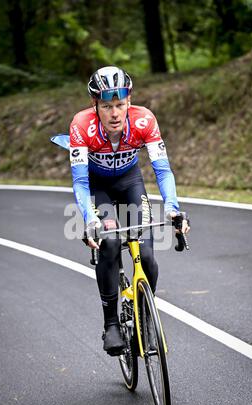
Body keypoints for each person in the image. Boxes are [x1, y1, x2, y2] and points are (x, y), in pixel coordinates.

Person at [69, 66, 190, 356]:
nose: (114, 113)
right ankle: (111, 324)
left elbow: (162, 170)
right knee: (109, 241)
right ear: (94, 105)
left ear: (129, 101)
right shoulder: (80, 125)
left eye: (120, 105)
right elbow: (81, 181)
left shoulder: (144, 120)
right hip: (98, 187)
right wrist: (89, 220)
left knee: (146, 254)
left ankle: (144, 319)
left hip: (130, 182)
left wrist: (173, 209)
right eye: (106, 106)